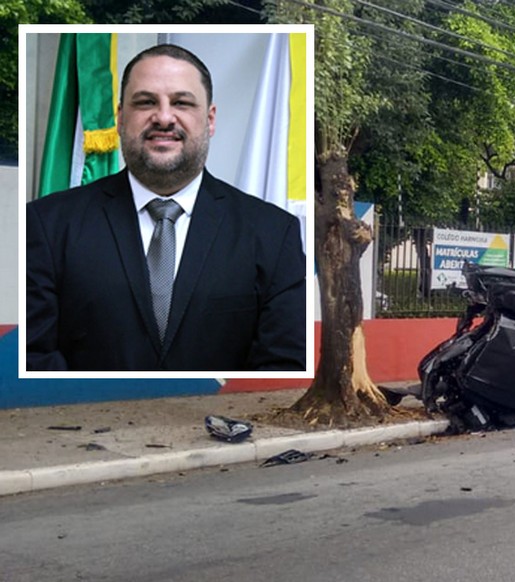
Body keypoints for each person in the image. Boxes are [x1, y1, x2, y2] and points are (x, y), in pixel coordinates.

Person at [26, 44, 306, 371]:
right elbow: (34, 356)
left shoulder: (273, 233)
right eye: (146, 102)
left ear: (210, 119)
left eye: (181, 102)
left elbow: (283, 364)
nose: (163, 117)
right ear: (119, 118)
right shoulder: (49, 224)